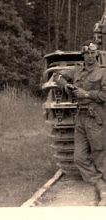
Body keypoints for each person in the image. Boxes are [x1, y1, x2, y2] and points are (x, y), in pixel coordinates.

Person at [54, 40, 106, 206]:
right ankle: (100, 186)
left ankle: (100, 197)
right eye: (86, 53)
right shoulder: (76, 70)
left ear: (96, 53)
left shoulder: (103, 72)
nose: (90, 56)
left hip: (96, 117)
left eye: (92, 53)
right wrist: (65, 85)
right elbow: (57, 76)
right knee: (80, 158)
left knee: (100, 157)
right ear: (82, 54)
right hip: (81, 119)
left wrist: (87, 94)